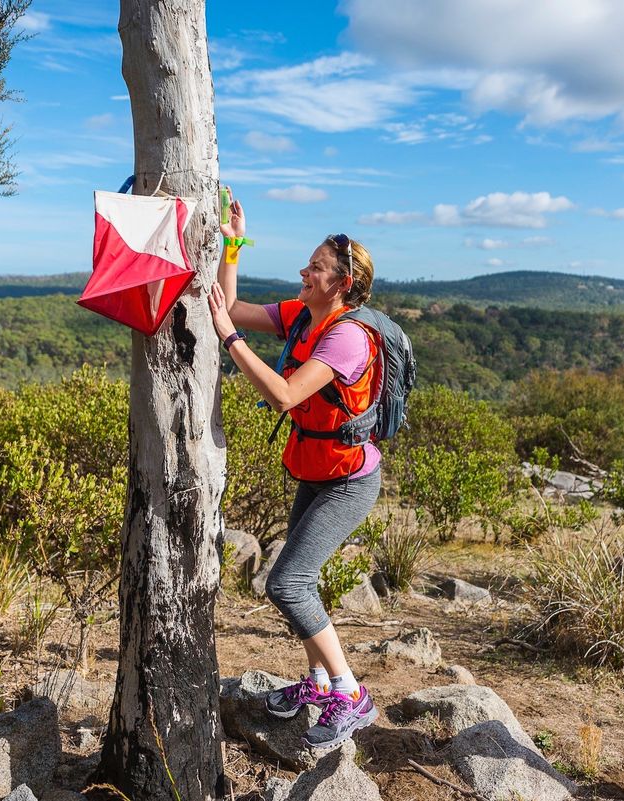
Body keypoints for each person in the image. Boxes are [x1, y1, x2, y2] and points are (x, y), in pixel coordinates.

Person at [206, 191, 380, 751]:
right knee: (296, 580)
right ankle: (317, 682)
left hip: (349, 481)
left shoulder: (349, 337)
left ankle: (350, 695)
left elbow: (283, 394)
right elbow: (231, 308)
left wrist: (230, 343)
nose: (304, 271)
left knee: (288, 583)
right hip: (317, 470)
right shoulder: (305, 315)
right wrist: (233, 244)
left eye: (317, 268)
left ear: (342, 284)